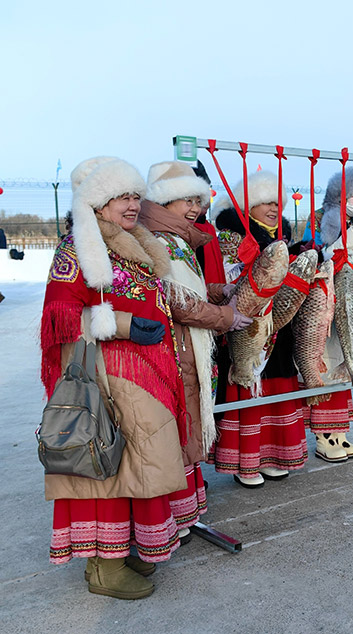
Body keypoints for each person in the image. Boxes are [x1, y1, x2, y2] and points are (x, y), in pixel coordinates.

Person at [40, 157, 188, 599]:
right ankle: (102, 568)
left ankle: (128, 550)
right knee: (105, 466)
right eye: (121, 196)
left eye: (134, 195)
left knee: (137, 466)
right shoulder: (76, 249)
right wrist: (122, 326)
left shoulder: (131, 241)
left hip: (147, 372)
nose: (132, 203)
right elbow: (60, 318)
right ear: (98, 202)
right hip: (110, 375)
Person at [138, 161, 252, 537]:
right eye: (186, 200)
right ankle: (174, 515)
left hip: (186, 347)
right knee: (180, 425)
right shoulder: (156, 238)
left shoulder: (175, 237)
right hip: (174, 349)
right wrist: (225, 317)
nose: (194, 208)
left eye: (198, 201)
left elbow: (193, 292)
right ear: (164, 200)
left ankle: (184, 514)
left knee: (187, 423)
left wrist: (224, 291)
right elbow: (179, 302)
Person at [212, 171, 308, 487]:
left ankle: (275, 454)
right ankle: (246, 461)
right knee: (248, 381)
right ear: (247, 204)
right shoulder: (230, 235)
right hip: (246, 327)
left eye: (275, 202)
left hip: (279, 325)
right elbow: (226, 277)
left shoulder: (282, 235)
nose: (271, 208)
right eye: (263, 202)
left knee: (276, 384)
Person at [301, 166, 353, 460]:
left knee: (346, 363)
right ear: (340, 193)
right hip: (326, 302)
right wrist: (351, 237)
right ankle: (323, 436)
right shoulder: (320, 219)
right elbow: (315, 254)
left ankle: (340, 431)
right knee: (326, 361)